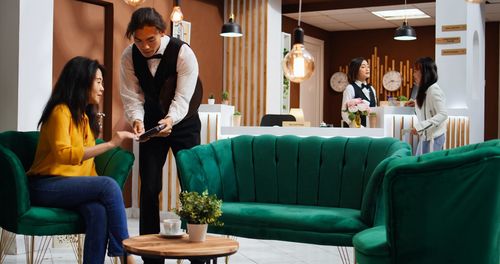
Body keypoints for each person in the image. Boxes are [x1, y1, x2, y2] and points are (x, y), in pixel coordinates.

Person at [27, 56, 136, 264]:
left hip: (68, 188)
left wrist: (94, 187)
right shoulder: (60, 111)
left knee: (99, 212)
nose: (102, 88)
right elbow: (64, 155)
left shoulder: (84, 118)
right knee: (108, 185)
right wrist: (111, 144)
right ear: (81, 81)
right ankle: (126, 255)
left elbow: (87, 166)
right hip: (44, 186)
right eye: (98, 82)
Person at [119, 8, 202, 264]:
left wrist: (170, 120)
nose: (144, 46)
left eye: (150, 40)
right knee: (149, 186)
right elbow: (132, 96)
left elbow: (183, 98)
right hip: (152, 125)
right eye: (138, 40)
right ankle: (150, 255)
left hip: (184, 123)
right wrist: (137, 120)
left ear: (162, 33)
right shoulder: (128, 56)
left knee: (191, 187)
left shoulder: (184, 53)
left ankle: (198, 253)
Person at [410, 57, 448, 155]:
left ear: (424, 72)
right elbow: (428, 109)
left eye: (416, 71)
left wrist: (420, 127)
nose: (413, 74)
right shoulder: (426, 90)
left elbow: (443, 114)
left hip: (434, 138)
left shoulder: (433, 90)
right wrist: (416, 103)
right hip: (427, 137)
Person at [341, 57, 377, 127]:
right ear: (355, 70)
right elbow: (344, 113)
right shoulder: (350, 88)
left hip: (371, 130)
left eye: (368, 67)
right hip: (356, 131)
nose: (367, 69)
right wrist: (359, 127)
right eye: (363, 67)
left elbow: (374, 110)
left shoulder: (372, 89)